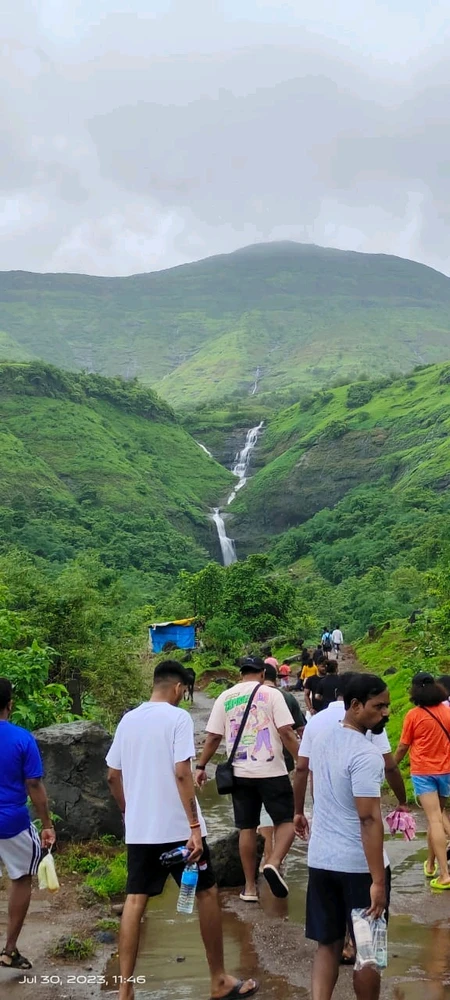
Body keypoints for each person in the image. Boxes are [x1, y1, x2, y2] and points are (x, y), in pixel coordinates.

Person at [106, 660, 258, 1000]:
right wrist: (193, 825)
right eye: (184, 692)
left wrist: (129, 812)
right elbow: (181, 772)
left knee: (135, 901)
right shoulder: (178, 718)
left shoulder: (128, 719)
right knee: (206, 892)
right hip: (179, 829)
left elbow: (112, 776)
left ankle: (125, 989)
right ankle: (218, 980)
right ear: (178, 688)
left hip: (140, 831)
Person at [294, 673, 392, 1000]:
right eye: (379, 707)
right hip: (358, 867)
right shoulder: (365, 755)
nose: (386, 713)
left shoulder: (321, 739)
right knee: (367, 953)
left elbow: (305, 774)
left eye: (388, 706)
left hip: (322, 860)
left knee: (328, 945)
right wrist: (377, 880)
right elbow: (368, 818)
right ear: (355, 705)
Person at [195, 657, 299, 902]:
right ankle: (273, 862)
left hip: (240, 774)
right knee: (286, 821)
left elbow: (212, 737)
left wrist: (200, 766)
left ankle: (250, 888)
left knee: (247, 828)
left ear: (240, 674)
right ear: (262, 673)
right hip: (272, 770)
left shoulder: (225, 697)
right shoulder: (272, 694)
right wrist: (302, 760)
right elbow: (286, 731)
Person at [0, 678, 56, 970]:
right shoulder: (22, 738)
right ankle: (9, 950)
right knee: (21, 876)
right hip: (11, 822)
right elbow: (33, 783)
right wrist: (47, 824)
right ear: (10, 703)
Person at [394, 672, 450, 889]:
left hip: (423, 773)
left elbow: (402, 747)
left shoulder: (413, 715)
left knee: (434, 819)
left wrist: (391, 766)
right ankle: (430, 864)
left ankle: (445, 875)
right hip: (446, 772)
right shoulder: (447, 712)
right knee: (435, 817)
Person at [258, 664, 306, 869]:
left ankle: (267, 855)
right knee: (280, 810)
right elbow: (302, 730)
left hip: (253, 762)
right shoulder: (286, 698)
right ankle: (278, 858)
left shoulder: (249, 696)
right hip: (281, 762)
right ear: (275, 678)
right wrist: (302, 760)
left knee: (261, 812)